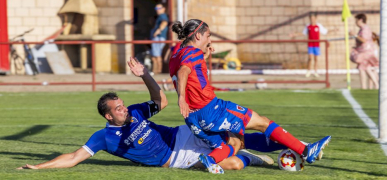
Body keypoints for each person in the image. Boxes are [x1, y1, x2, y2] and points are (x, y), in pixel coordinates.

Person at [17, 58, 288, 172]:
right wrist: (39, 167)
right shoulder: (104, 137)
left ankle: (285, 145)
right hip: (175, 158)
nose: (124, 108)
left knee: (233, 131)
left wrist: (144, 75)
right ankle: (249, 158)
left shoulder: (135, 112)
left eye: (122, 104)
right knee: (234, 164)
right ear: (108, 117)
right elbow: (75, 157)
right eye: (118, 108)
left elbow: (162, 101)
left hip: (180, 135)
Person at [169, 19, 331, 174]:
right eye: (208, 35)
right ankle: (307, 151)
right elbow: (184, 71)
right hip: (212, 110)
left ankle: (210, 160)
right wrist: (181, 98)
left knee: (235, 142)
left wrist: (204, 58)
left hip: (193, 117)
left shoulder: (176, 56)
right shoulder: (193, 52)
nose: (209, 39)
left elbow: (190, 73)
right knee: (262, 122)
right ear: (198, 35)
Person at [290, 12, 328, 78]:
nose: (312, 20)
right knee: (310, 58)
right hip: (310, 45)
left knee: (316, 59)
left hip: (316, 45)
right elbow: (303, 33)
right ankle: (308, 71)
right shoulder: (308, 26)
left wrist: (334, 30)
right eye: (311, 18)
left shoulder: (318, 26)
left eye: (313, 18)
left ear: (316, 18)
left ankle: (315, 71)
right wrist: (295, 34)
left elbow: (325, 31)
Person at [349, 14, 379, 90]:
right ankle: (367, 87)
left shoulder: (365, 29)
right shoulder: (362, 29)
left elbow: (364, 40)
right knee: (365, 68)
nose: (355, 22)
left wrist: (354, 35)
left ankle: (372, 85)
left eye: (356, 20)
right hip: (363, 51)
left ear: (360, 20)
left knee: (363, 68)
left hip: (366, 52)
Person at [150, 3, 169, 74]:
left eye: (159, 8)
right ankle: (155, 70)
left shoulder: (162, 16)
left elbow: (164, 23)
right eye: (156, 9)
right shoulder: (160, 16)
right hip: (157, 38)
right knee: (154, 55)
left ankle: (157, 71)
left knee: (157, 55)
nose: (157, 10)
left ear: (163, 9)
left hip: (158, 38)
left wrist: (158, 31)